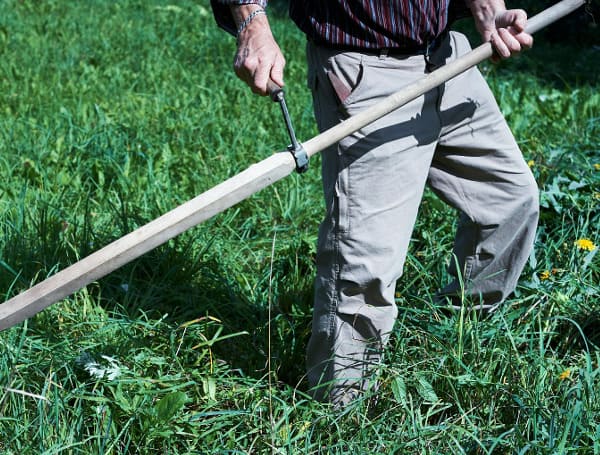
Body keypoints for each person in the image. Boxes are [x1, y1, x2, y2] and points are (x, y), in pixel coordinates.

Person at [211, 0, 540, 406]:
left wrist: (485, 5)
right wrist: (252, 23)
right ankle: (340, 417)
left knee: (510, 201)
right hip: (368, 71)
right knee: (364, 267)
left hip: (448, 56)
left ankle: (452, 342)